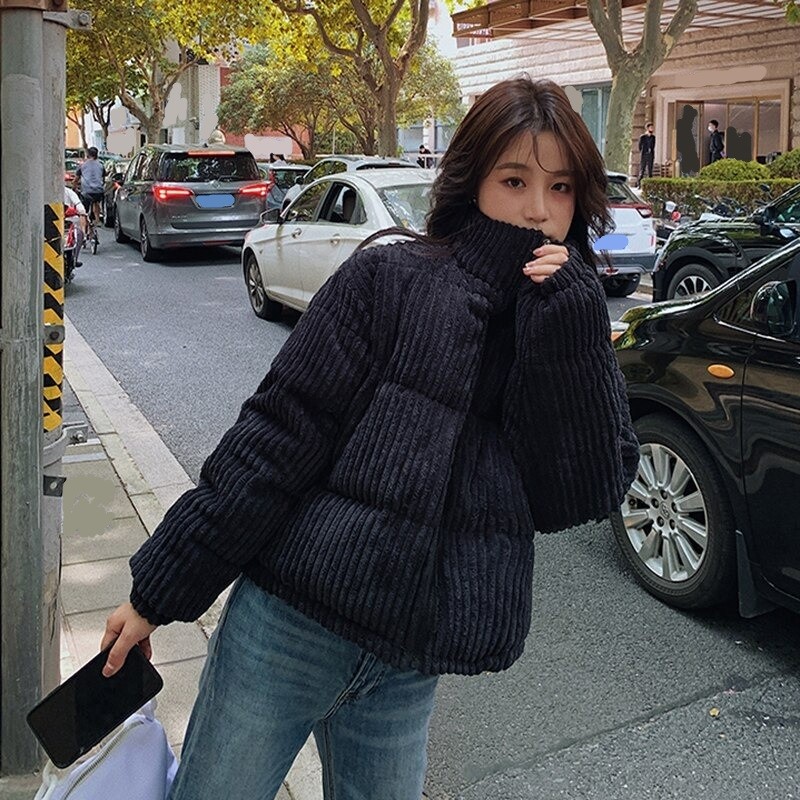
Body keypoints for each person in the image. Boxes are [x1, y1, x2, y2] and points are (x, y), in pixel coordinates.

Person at [101, 75, 639, 800]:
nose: (539, 210)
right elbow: (274, 440)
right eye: (514, 181)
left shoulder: (563, 319)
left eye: (562, 187)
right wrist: (158, 592)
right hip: (285, 632)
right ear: (473, 182)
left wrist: (570, 336)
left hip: (406, 666)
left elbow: (580, 494)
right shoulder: (388, 277)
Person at [75, 146, 105, 227]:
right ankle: (97, 220)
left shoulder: (82, 165)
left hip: (86, 191)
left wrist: (74, 188)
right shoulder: (101, 165)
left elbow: (76, 179)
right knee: (96, 202)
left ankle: (84, 223)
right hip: (98, 190)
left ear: (88, 155)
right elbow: (103, 179)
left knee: (84, 208)